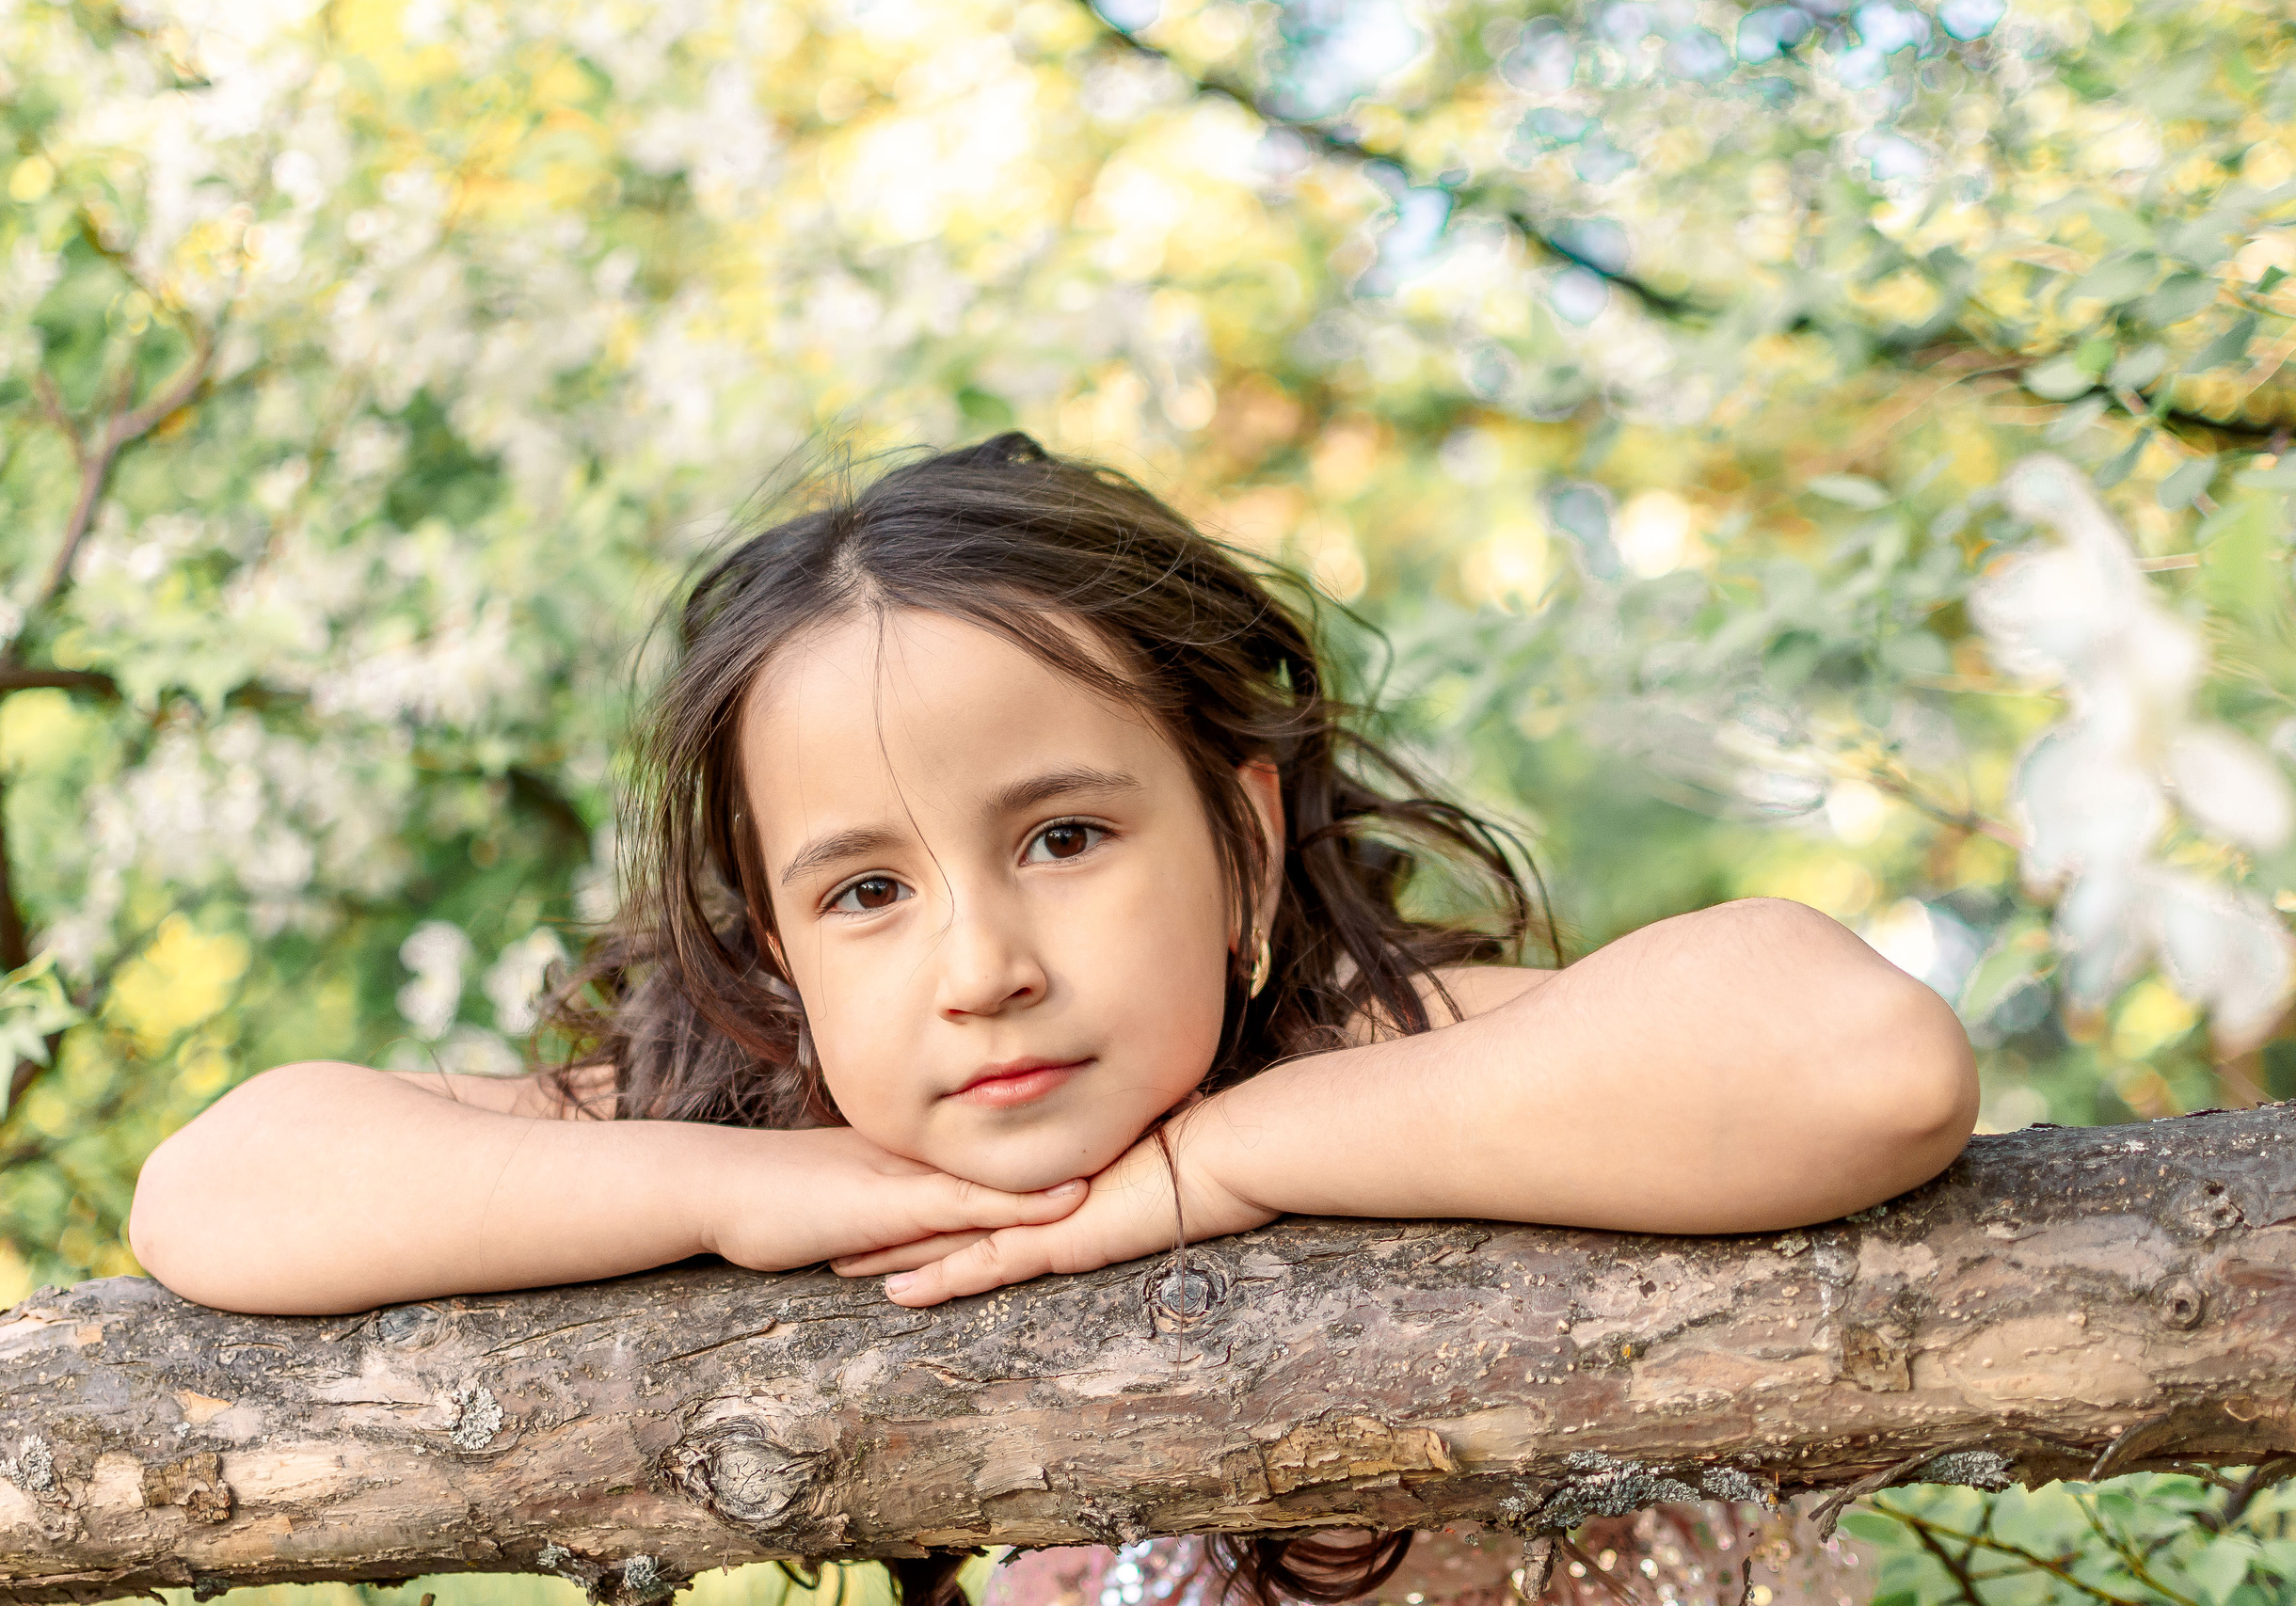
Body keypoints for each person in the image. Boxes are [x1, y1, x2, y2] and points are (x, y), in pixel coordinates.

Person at [129, 433, 1978, 1606]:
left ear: (1239, 842)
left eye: (1066, 834)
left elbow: (1857, 1060)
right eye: (866, 888)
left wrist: (1229, 1153)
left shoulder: (1388, 1050)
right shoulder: (775, 1128)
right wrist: (716, 1184)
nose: (980, 961)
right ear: (777, 946)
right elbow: (218, 1190)